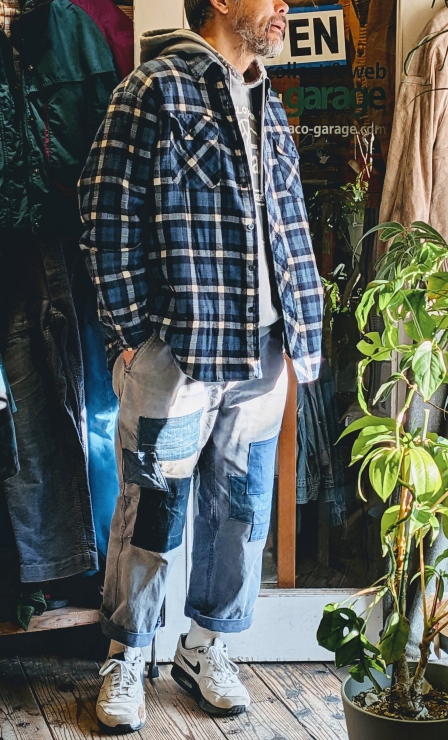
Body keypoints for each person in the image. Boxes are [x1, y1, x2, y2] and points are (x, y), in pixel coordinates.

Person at [79, 0, 323, 732]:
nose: (284, 6)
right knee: (152, 505)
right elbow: (105, 212)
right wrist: (129, 333)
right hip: (177, 351)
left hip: (264, 348)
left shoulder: (268, 102)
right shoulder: (153, 89)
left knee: (241, 510)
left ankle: (206, 646)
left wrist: (303, 326)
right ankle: (128, 654)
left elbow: (290, 220)